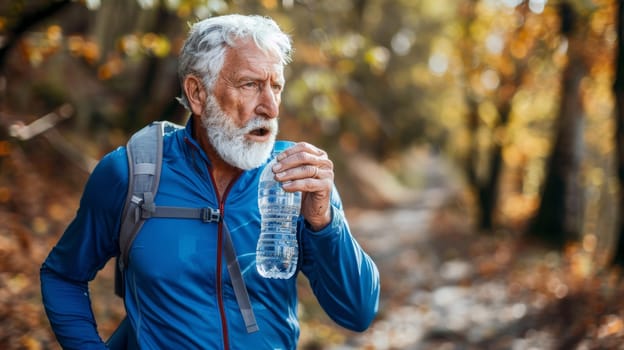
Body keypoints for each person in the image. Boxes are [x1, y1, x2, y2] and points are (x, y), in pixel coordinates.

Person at [40, 14, 380, 350]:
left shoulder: (295, 178)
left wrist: (324, 222)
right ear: (197, 94)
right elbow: (63, 276)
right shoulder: (133, 173)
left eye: (275, 86)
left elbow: (358, 312)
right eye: (250, 85)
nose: (271, 107)